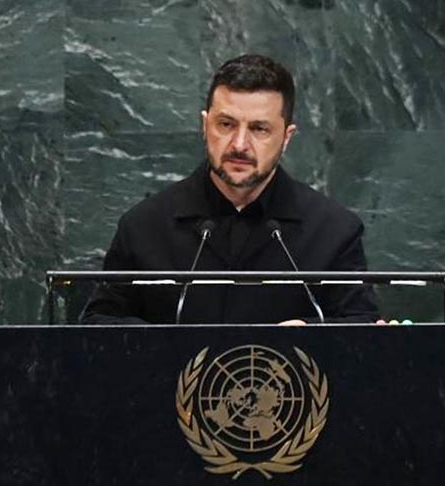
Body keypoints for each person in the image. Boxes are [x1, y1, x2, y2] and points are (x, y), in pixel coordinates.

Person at [81, 54, 378, 324]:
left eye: (259, 129)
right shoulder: (144, 226)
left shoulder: (333, 230)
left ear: (287, 137)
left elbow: (363, 327)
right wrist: (162, 346)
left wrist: (309, 334)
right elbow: (98, 325)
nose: (239, 144)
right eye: (225, 124)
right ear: (205, 125)